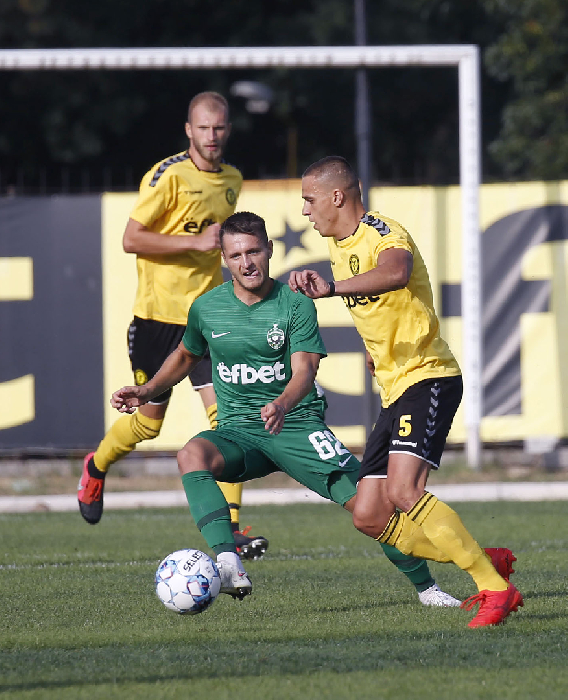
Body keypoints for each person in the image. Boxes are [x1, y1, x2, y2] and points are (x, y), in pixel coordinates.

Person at [111, 211, 462, 606]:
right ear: (224, 259)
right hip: (239, 432)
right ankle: (228, 563)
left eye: (254, 252)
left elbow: (305, 371)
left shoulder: (295, 304)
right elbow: (186, 354)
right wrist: (148, 390)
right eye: (236, 255)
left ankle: (428, 589)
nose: (247, 263)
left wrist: (281, 404)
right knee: (191, 454)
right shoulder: (207, 308)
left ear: (269, 249)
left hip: (295, 425)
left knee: (372, 509)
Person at [288, 156, 523, 628]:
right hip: (395, 388)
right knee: (369, 515)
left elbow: (396, 271)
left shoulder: (382, 231)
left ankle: (496, 589)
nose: (306, 211)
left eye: (310, 200)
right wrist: (372, 349)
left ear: (337, 196)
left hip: (428, 375)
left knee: (404, 490)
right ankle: (481, 559)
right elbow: (378, 308)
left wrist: (332, 288)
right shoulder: (337, 244)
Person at [77, 91, 267, 560]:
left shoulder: (232, 179)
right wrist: (194, 242)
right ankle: (96, 466)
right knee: (147, 425)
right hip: (158, 319)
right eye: (203, 127)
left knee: (230, 420)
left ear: (228, 130)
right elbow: (131, 239)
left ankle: (232, 528)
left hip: (208, 319)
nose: (212, 136)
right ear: (189, 130)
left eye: (219, 127)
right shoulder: (167, 176)